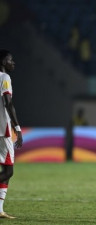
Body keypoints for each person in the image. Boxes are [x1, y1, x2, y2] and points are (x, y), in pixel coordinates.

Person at [0, 49, 23, 219]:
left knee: (5, 170)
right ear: (2, 62)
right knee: (8, 171)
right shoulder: (4, 78)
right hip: (3, 130)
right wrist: (18, 129)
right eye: (10, 60)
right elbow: (8, 103)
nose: (12, 62)